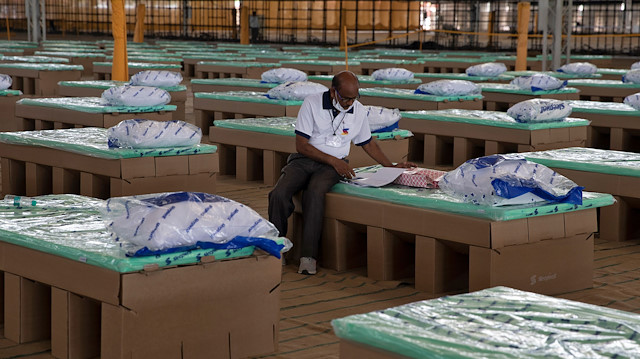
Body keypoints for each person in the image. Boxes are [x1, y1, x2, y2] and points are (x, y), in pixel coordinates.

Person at [268, 71, 415, 275]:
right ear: (333, 92)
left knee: (315, 192)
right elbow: (301, 145)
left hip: (331, 167)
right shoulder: (312, 103)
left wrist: (390, 165)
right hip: (305, 160)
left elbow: (367, 142)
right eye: (345, 98)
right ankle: (277, 248)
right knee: (279, 194)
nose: (348, 103)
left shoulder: (359, 111)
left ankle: (308, 256)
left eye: (353, 98)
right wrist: (334, 161)